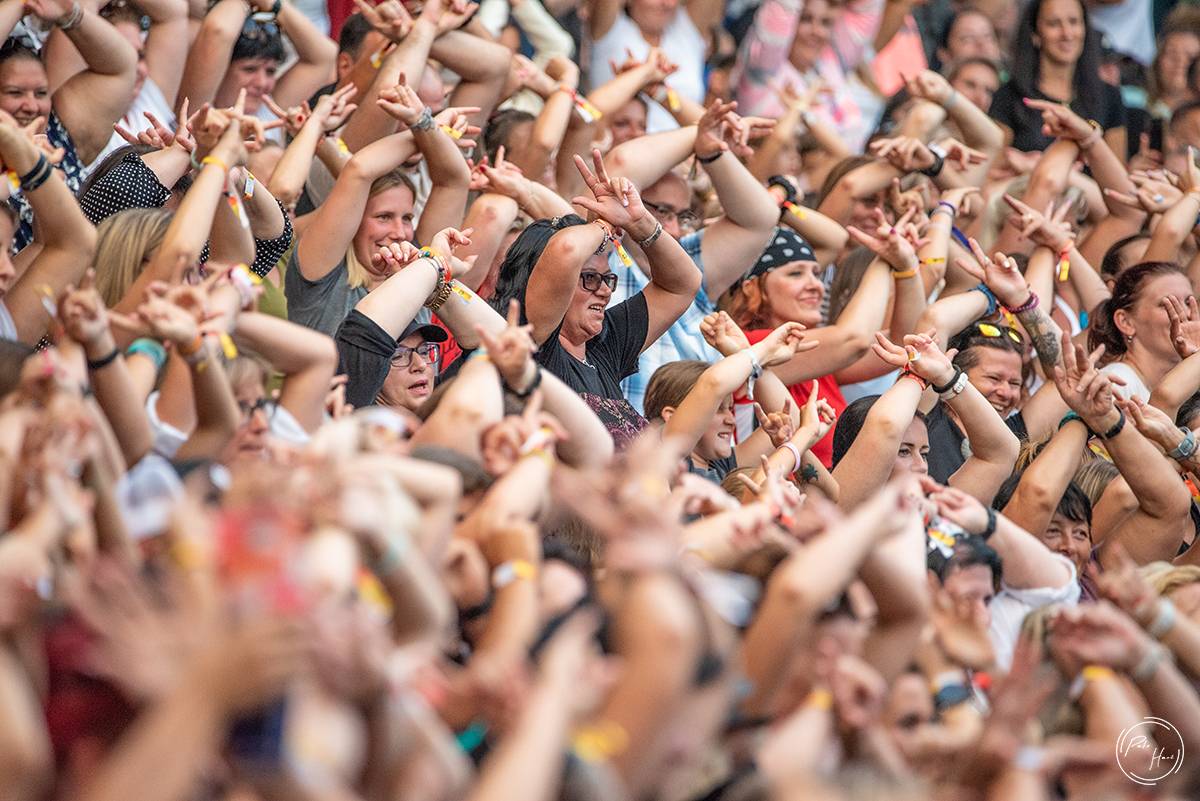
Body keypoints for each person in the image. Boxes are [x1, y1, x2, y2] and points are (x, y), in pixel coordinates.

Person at [989, 0, 1127, 158]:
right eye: (1054, 24)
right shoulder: (1008, 97)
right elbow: (994, 168)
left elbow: (1118, 174)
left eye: (1074, 22)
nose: (1067, 34)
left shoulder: (1110, 97)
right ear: (1035, 33)